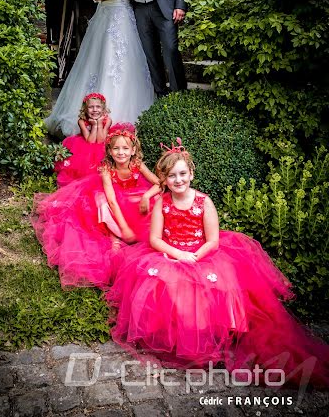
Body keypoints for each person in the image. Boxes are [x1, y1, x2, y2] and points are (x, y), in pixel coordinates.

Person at [105, 142, 329, 388]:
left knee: (210, 288)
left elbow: (212, 240)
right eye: (172, 176)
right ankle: (176, 337)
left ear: (191, 174)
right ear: (164, 180)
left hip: (204, 255)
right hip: (172, 253)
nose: (178, 180)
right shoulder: (163, 203)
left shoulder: (204, 202)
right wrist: (177, 254)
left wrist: (195, 256)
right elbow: (155, 239)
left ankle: (208, 335)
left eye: (182, 174)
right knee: (162, 285)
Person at [45, 0, 154, 139]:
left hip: (127, 16)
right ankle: (96, 120)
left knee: (128, 64)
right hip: (108, 15)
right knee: (105, 59)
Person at [32, 124, 160, 289]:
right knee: (102, 204)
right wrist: (124, 227)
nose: (121, 152)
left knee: (155, 198)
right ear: (109, 151)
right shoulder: (107, 169)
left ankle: (146, 231)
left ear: (133, 150)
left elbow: (158, 183)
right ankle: (115, 235)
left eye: (125, 148)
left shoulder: (137, 164)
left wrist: (146, 196)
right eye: (116, 148)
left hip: (131, 195)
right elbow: (112, 200)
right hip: (111, 197)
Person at [54, 92, 112, 187]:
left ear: (103, 109)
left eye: (98, 107)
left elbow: (101, 140)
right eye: (91, 107)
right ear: (85, 109)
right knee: (83, 164)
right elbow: (91, 141)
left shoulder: (107, 120)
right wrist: (94, 125)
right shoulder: (81, 121)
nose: (94, 110)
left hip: (102, 145)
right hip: (86, 145)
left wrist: (100, 124)